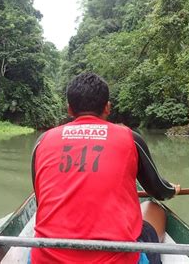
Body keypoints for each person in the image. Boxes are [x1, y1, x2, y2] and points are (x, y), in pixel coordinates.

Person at [31, 72, 181, 264]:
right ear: (107, 107)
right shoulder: (130, 138)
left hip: (46, 260)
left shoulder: (42, 141)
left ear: (69, 109)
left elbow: (40, 200)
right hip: (118, 259)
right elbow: (158, 191)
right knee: (154, 208)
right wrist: (171, 190)